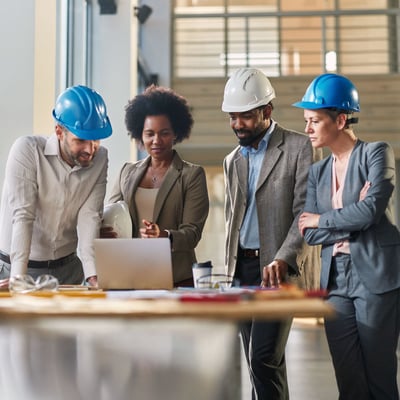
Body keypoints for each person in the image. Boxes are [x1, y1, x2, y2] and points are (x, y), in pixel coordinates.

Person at [294, 73, 400, 400]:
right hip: (335, 280)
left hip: (374, 275)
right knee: (348, 378)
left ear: (340, 120)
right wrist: (355, 213)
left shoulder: (376, 154)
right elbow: (308, 234)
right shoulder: (318, 172)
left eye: (314, 120)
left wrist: (323, 219)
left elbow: (369, 213)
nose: (308, 128)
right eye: (306, 121)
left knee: (379, 375)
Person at [221, 67, 321, 400]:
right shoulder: (232, 160)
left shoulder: (299, 148)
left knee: (263, 357)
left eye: (245, 116)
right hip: (241, 270)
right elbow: (233, 219)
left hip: (277, 271)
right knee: (257, 362)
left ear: (267, 111)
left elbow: (305, 214)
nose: (238, 124)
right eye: (233, 117)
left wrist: (282, 257)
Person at [0, 85, 112, 288]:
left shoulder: (100, 158)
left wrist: (93, 275)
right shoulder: (27, 151)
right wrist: (18, 278)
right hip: (14, 268)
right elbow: (23, 216)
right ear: (59, 132)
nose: (90, 149)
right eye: (80, 140)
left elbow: (90, 217)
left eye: (96, 139)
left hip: (68, 271)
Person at [104, 85, 209, 287]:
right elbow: (111, 216)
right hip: (130, 275)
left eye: (164, 133)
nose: (156, 140)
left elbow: (192, 233)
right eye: (149, 133)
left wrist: (165, 236)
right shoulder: (127, 172)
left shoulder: (191, 175)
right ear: (140, 135)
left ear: (176, 133)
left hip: (176, 278)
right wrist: (105, 230)